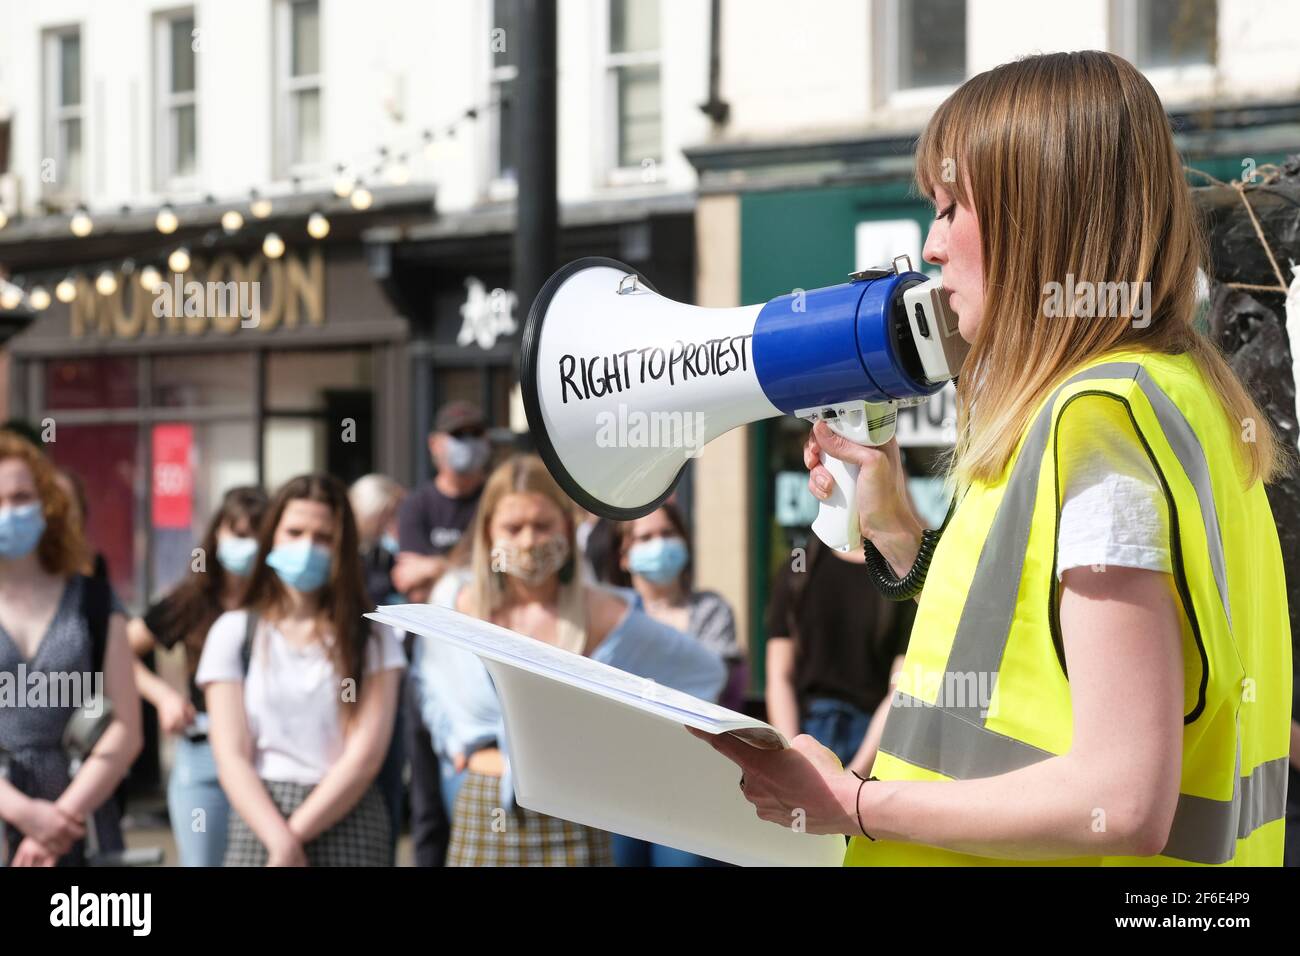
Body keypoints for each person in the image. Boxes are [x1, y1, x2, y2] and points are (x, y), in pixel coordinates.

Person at [691, 50, 1292, 866]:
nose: (930, 245)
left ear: (1037, 212)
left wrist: (852, 804)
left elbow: (1121, 801)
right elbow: (1038, 659)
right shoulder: (1166, 399)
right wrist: (898, 530)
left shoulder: (1095, 427)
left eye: (949, 208)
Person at [414, 455, 726, 866]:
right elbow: (428, 680)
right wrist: (452, 739)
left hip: (575, 809)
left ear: (566, 525)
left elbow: (702, 674)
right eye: (513, 527)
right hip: (484, 802)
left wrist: (623, 747)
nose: (529, 541)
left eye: (542, 525)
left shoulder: (605, 613)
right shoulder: (454, 603)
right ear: (488, 532)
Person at [197, 474, 405, 866]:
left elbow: (365, 757)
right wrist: (279, 840)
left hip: (348, 815)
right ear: (272, 535)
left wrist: (291, 839)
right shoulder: (234, 631)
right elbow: (230, 755)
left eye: (323, 537)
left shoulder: (375, 636)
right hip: (260, 816)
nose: (307, 547)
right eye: (294, 532)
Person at [0, 432, 143, 865]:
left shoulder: (93, 600)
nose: (9, 512)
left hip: (80, 820)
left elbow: (126, 726)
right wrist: (25, 815)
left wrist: (56, 823)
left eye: (21, 496)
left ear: (47, 504)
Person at [127, 485, 269, 866]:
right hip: (203, 751)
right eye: (239, 534)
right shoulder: (193, 599)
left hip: (267, 754)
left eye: (259, 535)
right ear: (218, 534)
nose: (249, 545)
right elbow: (120, 652)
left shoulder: (280, 602)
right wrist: (162, 696)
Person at [598, 501, 742, 867]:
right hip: (618, 782)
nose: (658, 544)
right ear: (624, 556)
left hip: (690, 784)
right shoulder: (607, 615)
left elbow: (708, 695)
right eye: (644, 538)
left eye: (667, 534)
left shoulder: (711, 611)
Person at [393, 399, 490, 867]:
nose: (468, 444)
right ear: (435, 446)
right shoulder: (418, 505)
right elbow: (407, 581)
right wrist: (466, 568)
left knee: (480, 790)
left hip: (483, 673)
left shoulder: (494, 500)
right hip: (428, 670)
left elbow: (500, 571)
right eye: (458, 435)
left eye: (476, 434)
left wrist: (439, 568)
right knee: (428, 806)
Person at [765, 533, 914, 776]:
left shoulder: (903, 577)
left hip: (872, 737)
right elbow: (779, 678)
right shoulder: (800, 568)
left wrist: (857, 775)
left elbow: (899, 690)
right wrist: (793, 756)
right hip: (806, 730)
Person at [348, 472, 408, 862]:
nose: (391, 525)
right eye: (386, 515)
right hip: (353, 681)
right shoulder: (347, 558)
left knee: (387, 775)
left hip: (389, 678)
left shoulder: (385, 555)